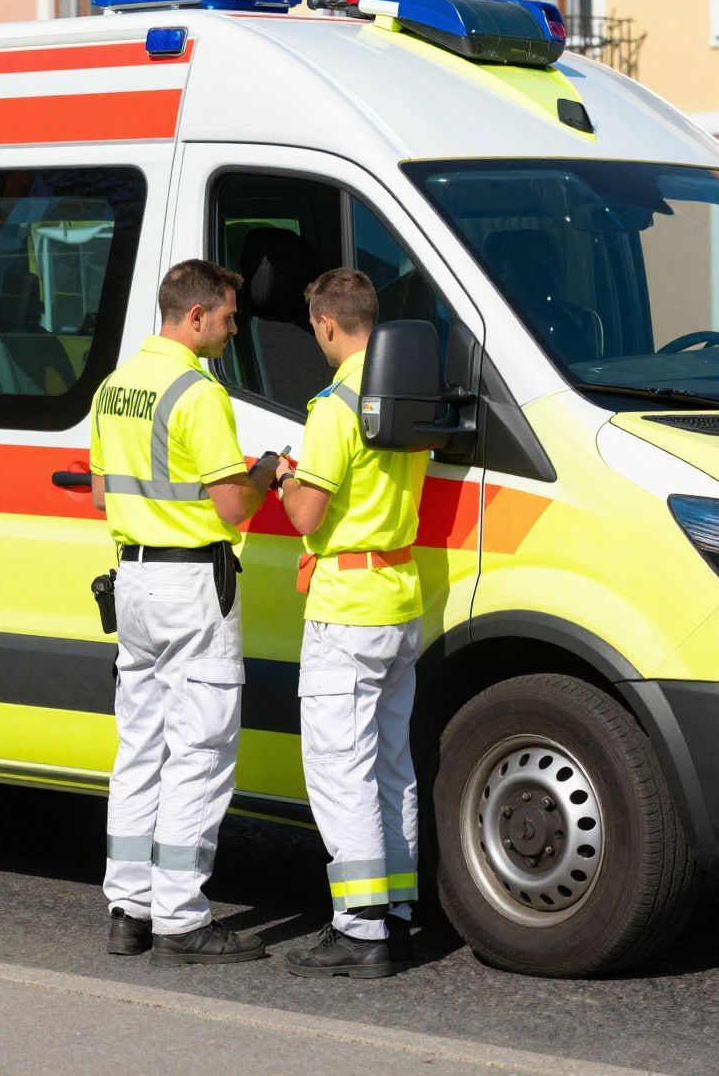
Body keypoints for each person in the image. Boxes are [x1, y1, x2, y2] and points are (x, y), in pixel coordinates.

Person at [89, 258, 278, 965]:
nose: (232, 329)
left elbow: (105, 494)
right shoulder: (197, 392)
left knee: (139, 749)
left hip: (133, 580)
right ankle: (181, 919)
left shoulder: (114, 388)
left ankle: (128, 909)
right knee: (199, 750)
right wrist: (266, 472)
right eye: (227, 318)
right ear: (194, 316)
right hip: (193, 585)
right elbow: (232, 506)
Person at [272, 268, 429, 978]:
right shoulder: (405, 394)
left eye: (315, 330)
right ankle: (394, 910)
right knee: (392, 765)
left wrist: (283, 476)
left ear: (329, 325)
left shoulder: (336, 406)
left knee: (341, 770)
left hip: (347, 604)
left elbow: (306, 513)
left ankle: (360, 930)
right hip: (400, 593)